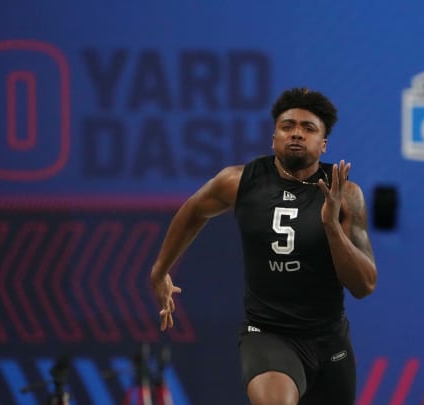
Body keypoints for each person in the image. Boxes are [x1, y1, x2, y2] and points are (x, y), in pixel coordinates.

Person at [150, 87, 377, 405]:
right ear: (273, 138)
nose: (296, 133)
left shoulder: (345, 194)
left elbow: (364, 285)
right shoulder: (240, 181)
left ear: (323, 144)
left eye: (308, 128)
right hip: (267, 334)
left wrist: (330, 227)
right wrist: (160, 271)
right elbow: (193, 211)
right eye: (287, 126)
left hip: (328, 339)